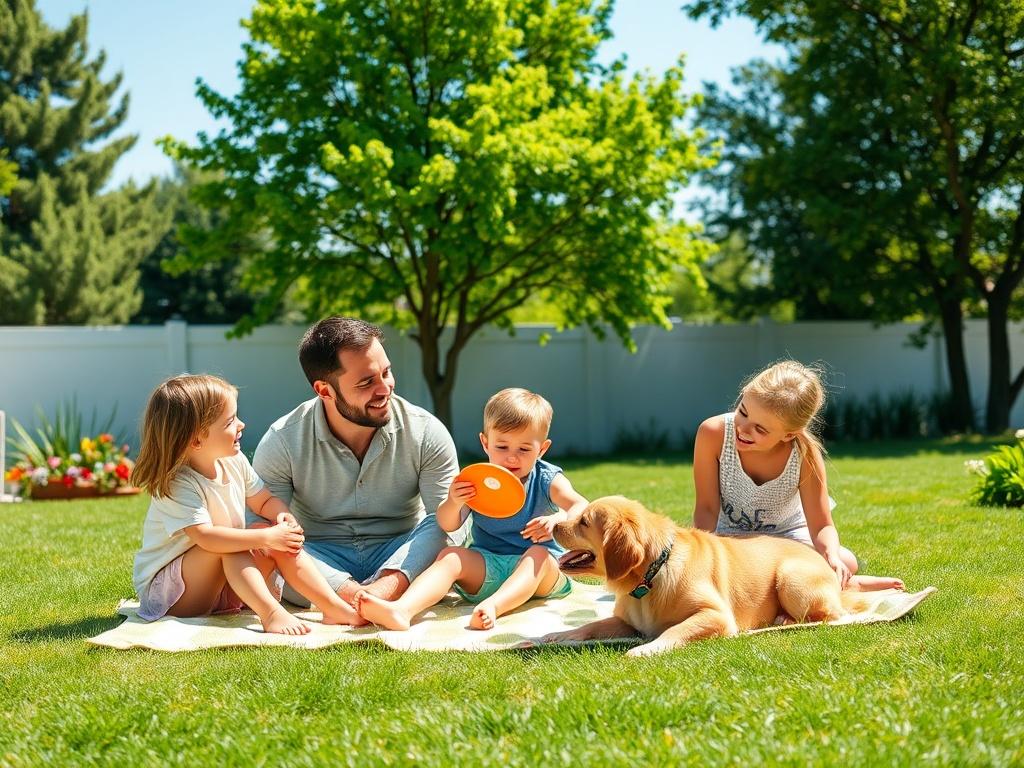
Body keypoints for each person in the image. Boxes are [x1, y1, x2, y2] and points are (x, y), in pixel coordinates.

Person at [251, 317, 460, 620]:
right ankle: (360, 602)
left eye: (386, 373)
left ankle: (373, 599)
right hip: (317, 556)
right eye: (366, 382)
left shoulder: (427, 431)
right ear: (324, 390)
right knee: (268, 536)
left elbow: (449, 524)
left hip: (402, 553)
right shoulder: (282, 440)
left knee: (446, 519)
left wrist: (385, 586)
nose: (384, 389)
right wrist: (346, 589)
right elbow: (264, 531)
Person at [131, 374, 362, 634]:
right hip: (174, 595)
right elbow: (206, 538)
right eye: (230, 421)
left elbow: (263, 501)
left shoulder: (234, 460)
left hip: (221, 584)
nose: (241, 425)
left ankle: (332, 607)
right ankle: (271, 614)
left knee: (272, 539)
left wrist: (283, 518)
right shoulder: (177, 484)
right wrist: (264, 537)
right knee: (237, 542)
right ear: (196, 440)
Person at [357, 388, 589, 631]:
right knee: (450, 556)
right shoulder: (477, 480)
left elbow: (580, 506)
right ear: (485, 443)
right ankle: (403, 610)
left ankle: (494, 607)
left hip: (542, 573)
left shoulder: (546, 479)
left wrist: (558, 519)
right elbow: (448, 525)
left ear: (542, 449)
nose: (511, 458)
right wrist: (454, 501)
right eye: (501, 447)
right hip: (489, 568)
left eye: (524, 449)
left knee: (537, 554)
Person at [692, 360, 904, 592]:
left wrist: (831, 555)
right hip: (733, 537)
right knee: (716, 568)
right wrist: (705, 554)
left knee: (844, 560)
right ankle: (840, 586)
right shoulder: (712, 434)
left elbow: (822, 524)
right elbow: (707, 508)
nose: (743, 428)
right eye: (742, 412)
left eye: (760, 429)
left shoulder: (804, 456)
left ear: (789, 434)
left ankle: (842, 582)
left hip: (787, 538)